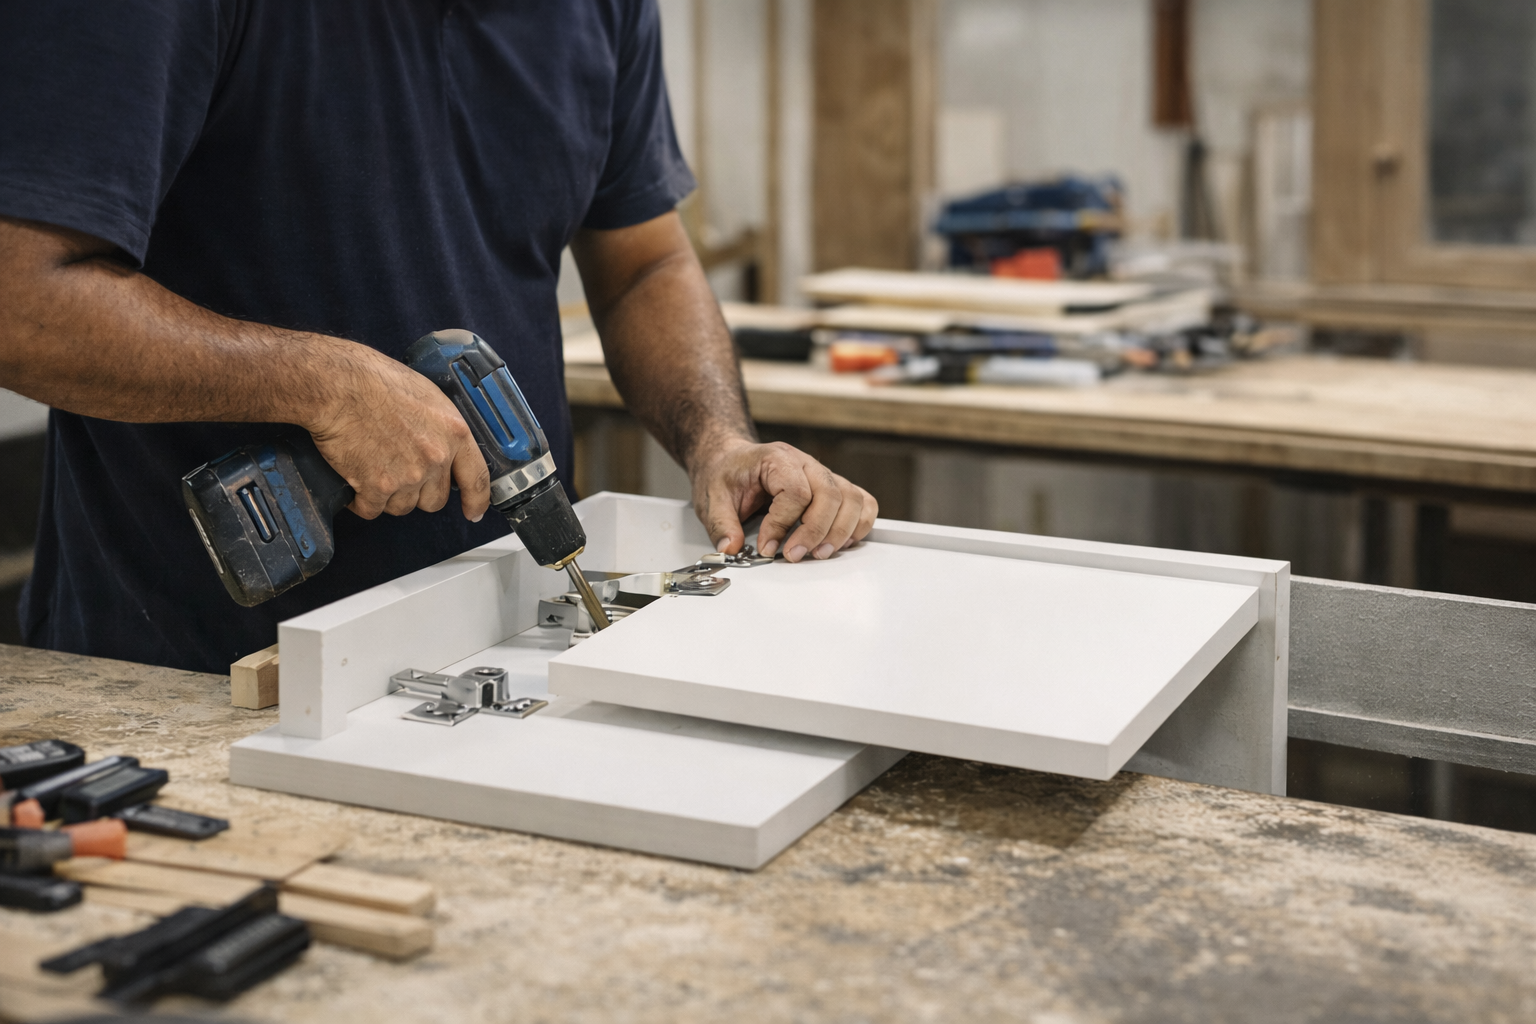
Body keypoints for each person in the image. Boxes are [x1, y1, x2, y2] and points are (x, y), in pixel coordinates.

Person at [0, 0, 877, 675]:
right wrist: (320, 386)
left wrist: (717, 440)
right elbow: (19, 300)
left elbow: (645, 262)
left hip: (493, 640)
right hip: (188, 666)